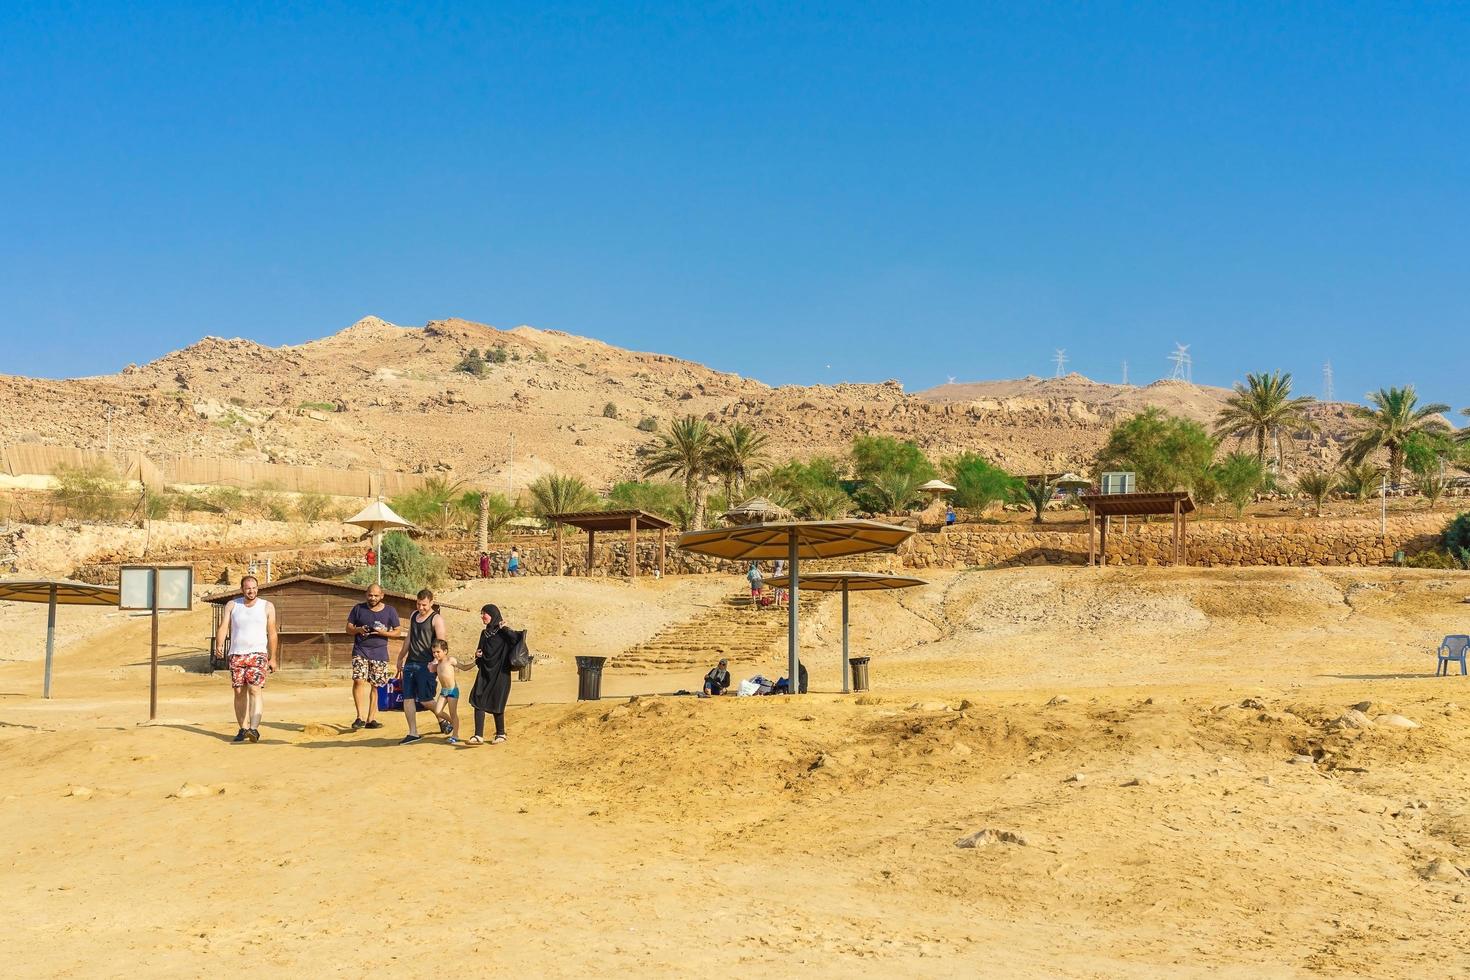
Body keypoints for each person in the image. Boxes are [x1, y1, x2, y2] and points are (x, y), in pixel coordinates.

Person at [212, 575, 278, 743]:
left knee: (255, 689)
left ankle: (254, 729)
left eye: (254, 587)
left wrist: (273, 657)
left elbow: (272, 633)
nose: (251, 591)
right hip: (237, 653)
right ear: (242, 589)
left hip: (258, 653)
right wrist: (219, 644)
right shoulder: (233, 605)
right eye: (248, 588)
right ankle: (243, 728)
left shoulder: (267, 606)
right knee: (239, 691)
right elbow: (224, 626)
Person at [395, 589, 448, 744]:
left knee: (425, 700)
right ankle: (413, 732)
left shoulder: (436, 619)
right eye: (418, 604)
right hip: (411, 662)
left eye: (424, 604)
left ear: (431, 602)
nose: (421, 607)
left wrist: (436, 663)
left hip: (427, 665)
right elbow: (409, 638)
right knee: (408, 697)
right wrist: (400, 658)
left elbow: (441, 643)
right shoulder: (413, 616)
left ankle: (447, 719)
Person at [346, 584, 401, 730]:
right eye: (370, 595)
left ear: (382, 595)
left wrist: (382, 633)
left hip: (380, 652)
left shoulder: (390, 611)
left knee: (376, 686)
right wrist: (359, 629)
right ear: (366, 594)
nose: (373, 598)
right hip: (360, 650)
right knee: (358, 680)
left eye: (376, 595)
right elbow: (348, 628)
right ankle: (359, 717)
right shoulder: (358, 609)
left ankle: (371, 719)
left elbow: (397, 632)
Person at [468, 603, 516, 744]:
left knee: (497, 702)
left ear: (493, 615)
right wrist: (478, 654)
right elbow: (480, 652)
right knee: (478, 701)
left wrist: (505, 628)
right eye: (481, 613)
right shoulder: (484, 633)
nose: (482, 616)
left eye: (485, 613)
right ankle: (478, 735)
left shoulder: (503, 633)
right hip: (485, 673)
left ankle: (501, 734)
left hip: (501, 674)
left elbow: (516, 640)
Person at [429, 639, 462, 744]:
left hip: (452, 691)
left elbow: (463, 667)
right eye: (434, 652)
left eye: (438, 652)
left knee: (453, 713)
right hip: (444, 692)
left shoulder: (450, 660)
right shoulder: (437, 665)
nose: (435, 654)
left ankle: (455, 735)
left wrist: (476, 662)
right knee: (438, 711)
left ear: (445, 651)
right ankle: (453, 723)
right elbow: (429, 668)